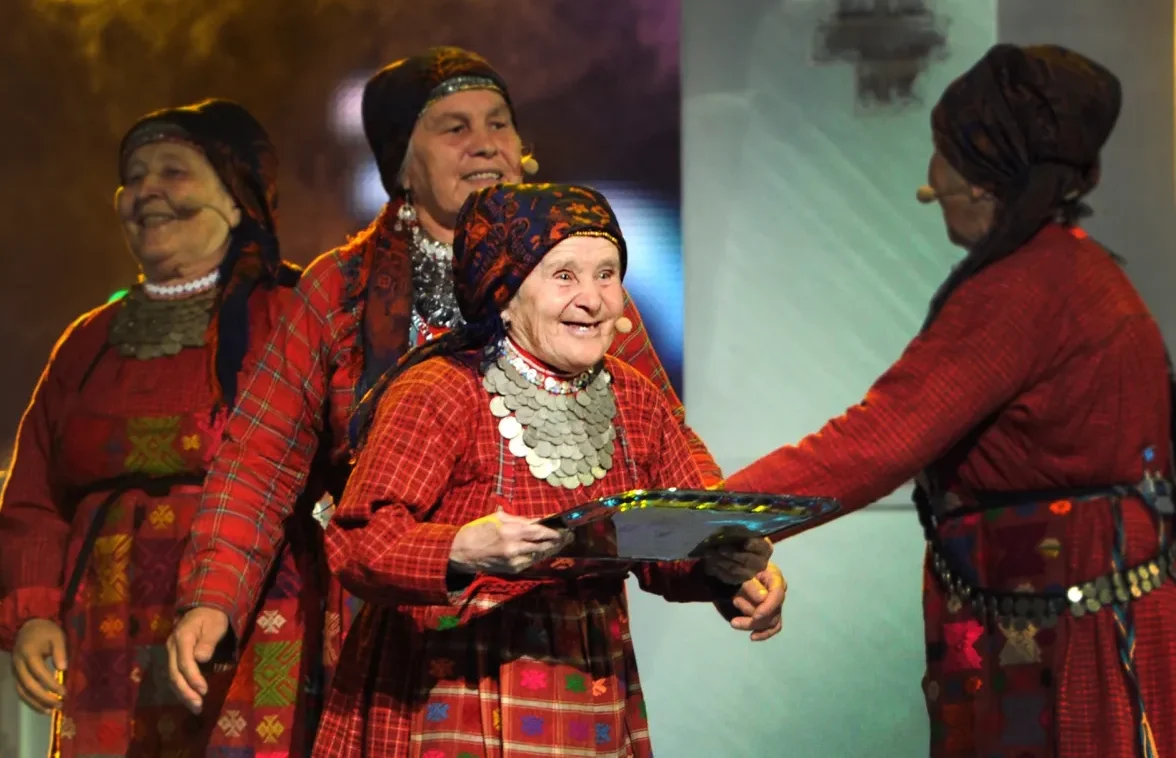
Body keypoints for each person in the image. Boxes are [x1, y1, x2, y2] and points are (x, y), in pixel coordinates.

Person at [169, 46, 728, 720]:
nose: (484, 144)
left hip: (562, 639)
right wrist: (214, 596)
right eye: (454, 127)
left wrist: (722, 554)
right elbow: (260, 459)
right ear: (401, 164)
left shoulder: (579, 294)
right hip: (392, 610)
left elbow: (661, 441)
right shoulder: (340, 290)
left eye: (498, 123)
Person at [726, 43, 1176, 757]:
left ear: (989, 180)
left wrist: (697, 520)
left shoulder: (1028, 289)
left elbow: (877, 441)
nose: (931, 182)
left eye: (947, 156)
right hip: (1064, 619)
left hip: (1065, 642)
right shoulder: (1071, 269)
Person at [311, 182, 785, 757]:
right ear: (505, 294)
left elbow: (673, 540)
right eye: (564, 276)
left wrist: (729, 570)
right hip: (451, 685)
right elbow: (359, 543)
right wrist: (460, 549)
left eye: (606, 274)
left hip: (588, 690)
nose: (593, 299)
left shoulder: (636, 400)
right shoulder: (441, 389)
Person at [0, 99, 305, 756]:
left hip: (256, 620)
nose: (147, 193)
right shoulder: (87, 343)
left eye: (173, 172)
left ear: (236, 200)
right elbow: (33, 497)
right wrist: (33, 613)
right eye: (134, 178)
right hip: (103, 628)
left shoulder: (292, 317)